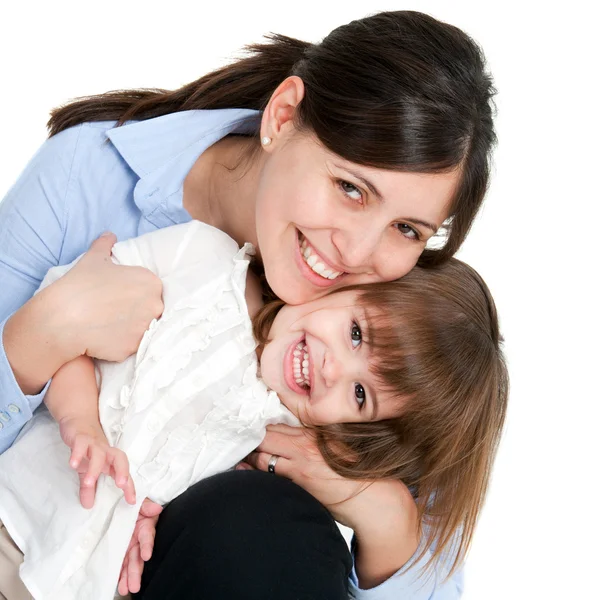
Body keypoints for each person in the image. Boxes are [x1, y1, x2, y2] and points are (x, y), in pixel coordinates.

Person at [0, 9, 497, 599]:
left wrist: (384, 516)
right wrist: (50, 331)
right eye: (350, 188)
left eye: (409, 228)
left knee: (269, 523)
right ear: (282, 117)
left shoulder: (385, 308)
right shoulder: (100, 186)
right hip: (29, 524)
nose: (358, 250)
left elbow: (434, 578)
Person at [0, 219, 506, 600]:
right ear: (349, 282)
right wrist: (79, 420)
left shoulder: (278, 438)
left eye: (359, 396)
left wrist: (145, 519)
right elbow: (65, 326)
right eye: (356, 333)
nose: (334, 369)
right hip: (15, 510)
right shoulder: (203, 256)